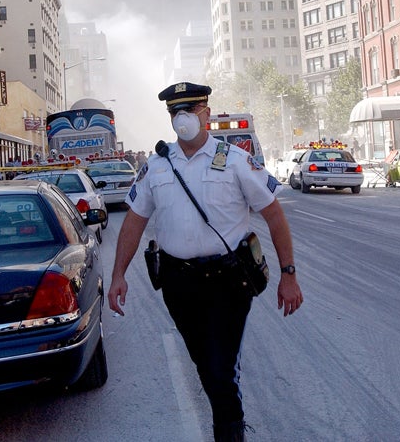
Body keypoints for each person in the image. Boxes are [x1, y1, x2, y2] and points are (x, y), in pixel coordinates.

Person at [108, 81, 303, 442]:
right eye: (175, 112)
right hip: (179, 285)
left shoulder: (235, 160)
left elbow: (274, 214)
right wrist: (118, 274)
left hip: (228, 282)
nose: (183, 118)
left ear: (207, 114)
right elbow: (134, 220)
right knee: (206, 365)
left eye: (191, 109)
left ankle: (229, 433)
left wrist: (288, 274)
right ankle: (226, 403)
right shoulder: (156, 166)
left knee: (219, 371)